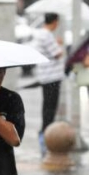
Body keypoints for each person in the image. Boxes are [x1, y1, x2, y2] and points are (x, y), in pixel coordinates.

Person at [33, 12, 64, 156]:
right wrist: (59, 45)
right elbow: (57, 53)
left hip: (46, 76)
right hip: (51, 77)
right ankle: (46, 136)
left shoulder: (41, 34)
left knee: (48, 107)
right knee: (50, 108)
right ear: (55, 21)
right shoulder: (46, 35)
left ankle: (45, 134)